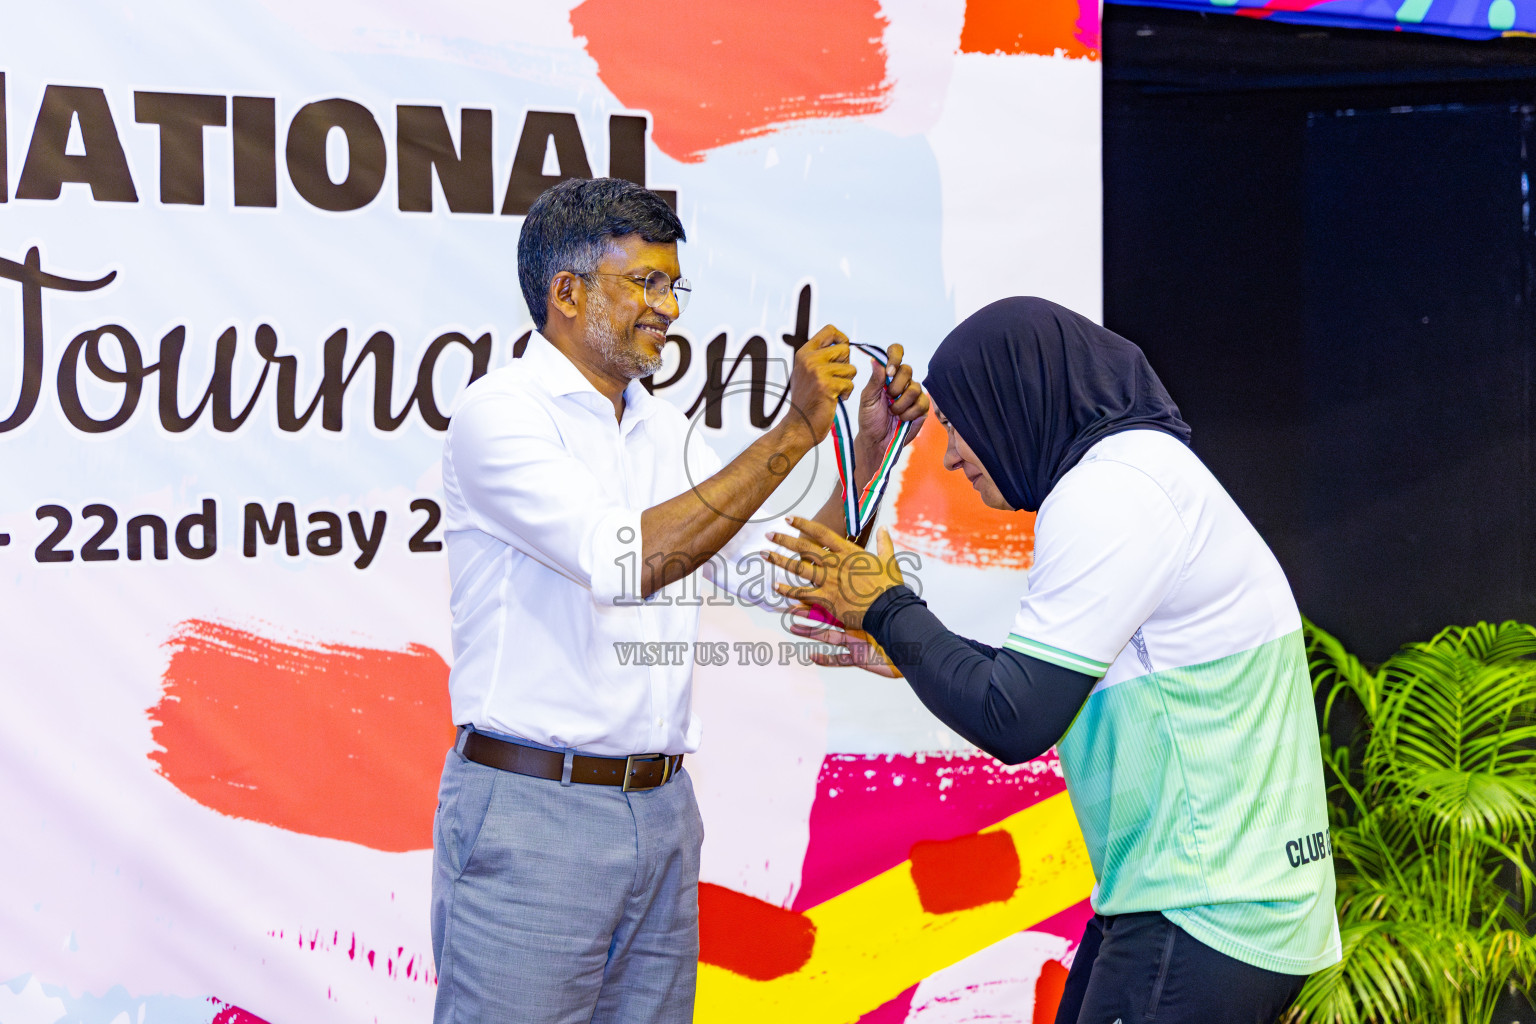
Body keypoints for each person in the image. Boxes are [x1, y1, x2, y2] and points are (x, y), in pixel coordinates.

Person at [430, 177, 928, 1024]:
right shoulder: (500, 416)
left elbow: (782, 573)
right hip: (534, 817)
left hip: (662, 817)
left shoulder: (662, 430)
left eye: (673, 285)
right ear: (567, 293)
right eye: (647, 283)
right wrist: (792, 434)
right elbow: (624, 560)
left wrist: (868, 451)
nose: (668, 308)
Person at [765, 296, 1341, 1024]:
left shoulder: (1113, 493)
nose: (950, 455)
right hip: (1192, 895)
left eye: (959, 425)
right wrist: (899, 637)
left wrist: (887, 607)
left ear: (1016, 401)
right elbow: (1041, 684)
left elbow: (1014, 718)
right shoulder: (1132, 475)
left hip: (1204, 906)